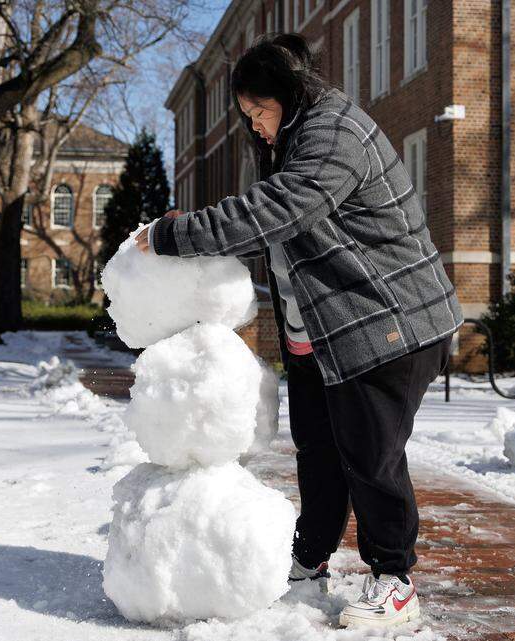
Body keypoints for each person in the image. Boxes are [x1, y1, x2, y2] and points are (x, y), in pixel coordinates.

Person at [134, 32, 462, 629]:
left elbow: (279, 209)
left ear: (287, 95)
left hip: (385, 322)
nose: (255, 126)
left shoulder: (334, 131)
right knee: (319, 456)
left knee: (371, 458)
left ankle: (395, 580)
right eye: (248, 117)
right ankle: (309, 564)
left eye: (258, 112)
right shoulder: (296, 138)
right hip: (323, 334)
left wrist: (171, 236)